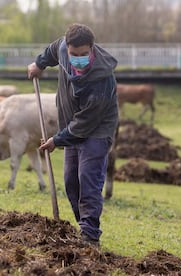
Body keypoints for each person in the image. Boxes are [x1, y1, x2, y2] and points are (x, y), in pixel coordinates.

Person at [27, 23, 118, 246]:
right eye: (74, 54)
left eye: (84, 54)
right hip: (71, 126)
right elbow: (53, 49)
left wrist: (56, 140)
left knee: (88, 179)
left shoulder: (101, 80)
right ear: (67, 48)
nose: (78, 59)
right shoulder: (62, 49)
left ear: (92, 49)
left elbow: (84, 124)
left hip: (96, 130)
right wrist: (39, 64)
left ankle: (89, 235)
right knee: (71, 182)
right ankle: (83, 226)